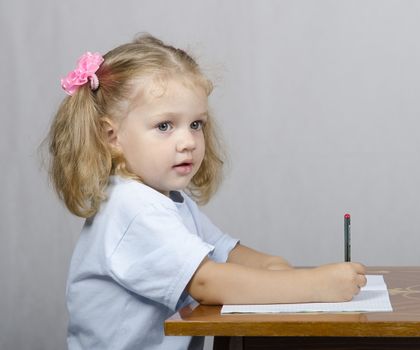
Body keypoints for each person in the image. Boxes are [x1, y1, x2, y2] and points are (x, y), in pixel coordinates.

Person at [47, 34, 367, 350]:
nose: (188, 141)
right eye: (164, 126)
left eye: (196, 124)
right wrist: (315, 286)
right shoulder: (134, 208)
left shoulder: (166, 200)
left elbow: (224, 251)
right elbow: (206, 282)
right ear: (111, 136)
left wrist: (273, 265)